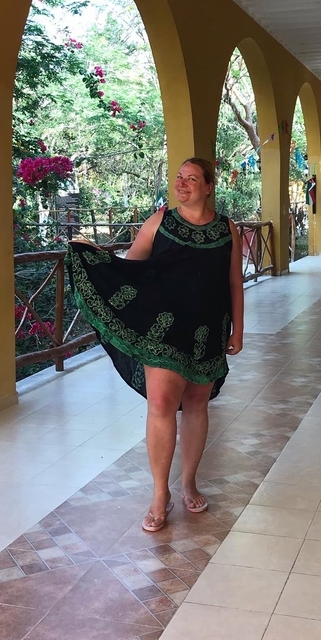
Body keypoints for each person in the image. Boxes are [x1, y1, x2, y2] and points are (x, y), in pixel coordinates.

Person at [68, 158, 244, 533]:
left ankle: (189, 483)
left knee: (197, 405)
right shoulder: (159, 221)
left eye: (192, 179)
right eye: (179, 178)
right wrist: (95, 257)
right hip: (163, 333)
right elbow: (131, 270)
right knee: (162, 403)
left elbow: (233, 283)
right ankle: (159, 494)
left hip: (208, 331)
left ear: (209, 187)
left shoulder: (227, 228)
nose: (182, 184)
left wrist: (238, 329)